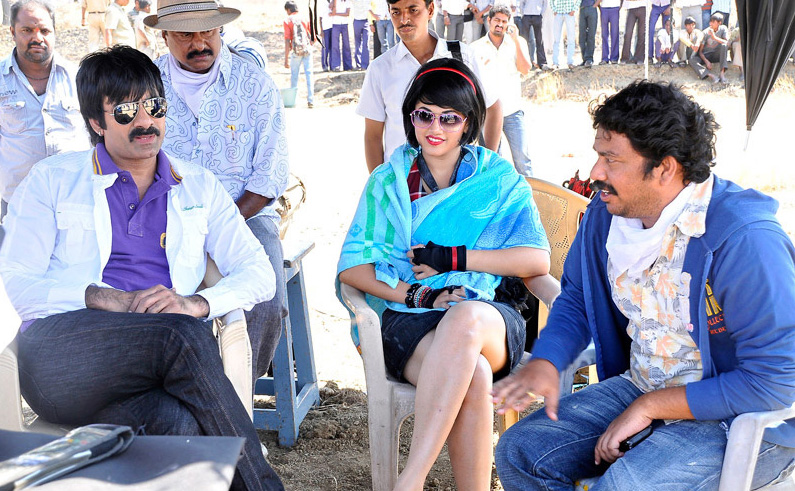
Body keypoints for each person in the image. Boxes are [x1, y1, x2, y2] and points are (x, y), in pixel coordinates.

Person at [0, 45, 285, 491]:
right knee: (179, 335)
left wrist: (197, 303)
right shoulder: (52, 180)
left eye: (155, 106)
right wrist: (102, 297)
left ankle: (99, 438)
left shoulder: (198, 184)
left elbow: (259, 272)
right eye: (126, 112)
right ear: (96, 122)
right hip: (61, 357)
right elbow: (14, 283)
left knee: (177, 421)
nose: (146, 122)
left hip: (153, 367)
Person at [493, 80, 795, 490]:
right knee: (522, 451)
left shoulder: (744, 239)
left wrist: (651, 406)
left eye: (611, 159)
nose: (595, 173)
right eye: (598, 155)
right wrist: (548, 359)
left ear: (665, 168)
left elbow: (776, 381)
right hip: (644, 386)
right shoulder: (606, 215)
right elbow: (579, 298)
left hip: (746, 416)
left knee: (626, 485)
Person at [338, 57, 551, 490]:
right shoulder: (387, 181)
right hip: (408, 317)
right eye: (424, 115)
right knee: (473, 376)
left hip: (488, 314)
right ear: (410, 117)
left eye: (450, 118)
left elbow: (535, 260)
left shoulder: (497, 178)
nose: (435, 127)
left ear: (468, 122)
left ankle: (410, 480)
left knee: (465, 317)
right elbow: (353, 267)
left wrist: (454, 258)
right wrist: (421, 295)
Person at [145, 0, 289, 384]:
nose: (199, 43)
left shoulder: (254, 84)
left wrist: (217, 224)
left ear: (220, 29)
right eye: (185, 34)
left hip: (247, 214)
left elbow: (269, 176)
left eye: (207, 31)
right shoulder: (145, 86)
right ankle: (180, 391)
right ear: (164, 35)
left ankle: (235, 393)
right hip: (162, 219)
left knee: (264, 302)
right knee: (145, 297)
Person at [357, 0, 503, 173]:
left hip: (459, 182)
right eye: (396, 12)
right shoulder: (380, 68)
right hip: (402, 181)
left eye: (413, 10)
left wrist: (485, 168)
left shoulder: (463, 57)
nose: (404, 19)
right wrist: (380, 184)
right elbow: (373, 136)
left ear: (431, 9)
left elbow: (494, 108)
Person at [0, 0, 90, 214]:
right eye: (27, 30)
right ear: (12, 32)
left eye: (45, 30)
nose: (37, 38)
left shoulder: (79, 77)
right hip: (18, 203)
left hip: (74, 200)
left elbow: (97, 133)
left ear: (54, 32)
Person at [471, 6, 533, 176]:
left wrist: (516, 40)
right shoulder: (475, 48)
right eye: (497, 20)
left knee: (523, 161)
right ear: (489, 20)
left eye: (504, 21)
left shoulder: (517, 43)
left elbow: (525, 69)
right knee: (491, 162)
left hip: (513, 111)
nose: (500, 24)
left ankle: (528, 192)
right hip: (488, 113)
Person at [284, 0, 315, 108]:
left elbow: (287, 40)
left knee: (294, 76)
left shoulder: (287, 20)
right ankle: (311, 100)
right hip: (307, 50)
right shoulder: (304, 18)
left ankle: (293, 101)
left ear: (288, 10)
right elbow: (313, 35)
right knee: (309, 74)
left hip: (296, 52)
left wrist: (286, 59)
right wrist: (309, 45)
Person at [690, 12, 728, 83]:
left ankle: (722, 74)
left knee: (724, 45)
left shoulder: (723, 29)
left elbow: (726, 42)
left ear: (719, 23)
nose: (711, 24)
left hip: (716, 55)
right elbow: (700, 51)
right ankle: (711, 75)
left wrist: (714, 37)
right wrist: (706, 61)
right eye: (710, 22)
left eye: (713, 22)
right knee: (692, 60)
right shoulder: (706, 32)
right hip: (706, 55)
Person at [520, 0, 550, 70]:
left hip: (537, 15)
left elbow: (545, 3)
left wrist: (541, 14)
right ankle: (524, 63)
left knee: (539, 40)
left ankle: (542, 63)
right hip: (526, 16)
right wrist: (523, 13)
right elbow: (522, 3)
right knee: (524, 40)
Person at [550, 0, 576, 69]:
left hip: (569, 13)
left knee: (571, 38)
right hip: (559, 13)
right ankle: (555, 62)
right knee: (556, 39)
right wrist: (554, 9)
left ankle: (570, 62)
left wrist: (574, 9)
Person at [620, 0, 646, 64]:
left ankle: (639, 58)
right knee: (628, 33)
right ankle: (625, 57)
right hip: (631, 8)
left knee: (641, 34)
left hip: (643, 7)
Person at [330, 0, 353, 70]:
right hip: (335, 24)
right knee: (335, 46)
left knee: (346, 45)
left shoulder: (347, 1)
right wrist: (334, 2)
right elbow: (331, 9)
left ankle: (348, 65)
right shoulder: (333, 1)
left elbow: (347, 13)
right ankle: (336, 65)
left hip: (344, 24)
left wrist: (336, 14)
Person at [352, 0, 372, 69]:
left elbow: (369, 7)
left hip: (365, 21)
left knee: (366, 43)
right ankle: (358, 64)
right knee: (357, 43)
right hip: (357, 21)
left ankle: (365, 64)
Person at [578, 0, 598, 67]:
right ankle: (584, 59)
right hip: (582, 9)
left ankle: (589, 59)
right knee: (582, 36)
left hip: (591, 8)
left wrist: (595, 5)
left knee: (591, 35)